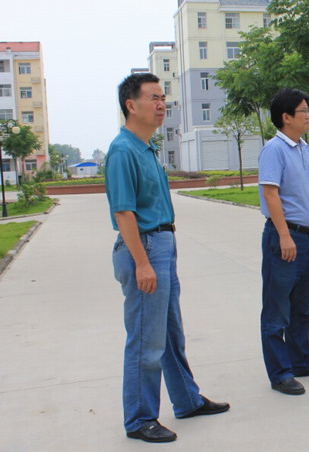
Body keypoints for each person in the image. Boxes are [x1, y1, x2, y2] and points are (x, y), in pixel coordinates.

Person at [106, 73, 229, 443]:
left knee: (171, 334)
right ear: (131, 105)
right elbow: (123, 212)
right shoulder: (123, 150)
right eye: (154, 98)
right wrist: (142, 263)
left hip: (161, 245)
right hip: (143, 249)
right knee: (146, 340)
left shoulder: (145, 148)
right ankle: (140, 418)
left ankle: (187, 400)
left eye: (163, 98)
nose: (162, 105)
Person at [258, 88, 309, 395]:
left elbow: (308, 192)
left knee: (302, 307)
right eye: (303, 111)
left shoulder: (303, 148)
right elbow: (270, 194)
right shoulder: (274, 149)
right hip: (285, 237)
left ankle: (302, 360)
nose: (308, 115)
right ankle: (280, 373)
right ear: (286, 117)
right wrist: (284, 235)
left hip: (306, 236)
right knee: (277, 310)